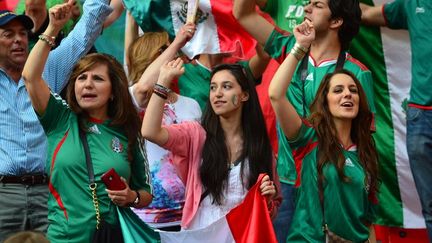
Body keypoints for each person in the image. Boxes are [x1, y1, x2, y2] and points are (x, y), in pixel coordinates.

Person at [233, 0, 376, 240]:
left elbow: (363, 141)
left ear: (336, 21)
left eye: (317, 5)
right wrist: (299, 47)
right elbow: (243, 13)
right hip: (287, 181)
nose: (306, 9)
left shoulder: (357, 72)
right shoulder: (291, 46)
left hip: (332, 183)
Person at [21, 4, 153, 242]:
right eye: (81, 78)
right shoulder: (59, 118)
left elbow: (146, 192)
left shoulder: (128, 130)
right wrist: (52, 29)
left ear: (113, 91)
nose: (87, 84)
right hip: (64, 238)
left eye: (98, 78)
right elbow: (31, 77)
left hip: (112, 237)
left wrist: (131, 196)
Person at [0, 0, 112, 240]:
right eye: (8, 34)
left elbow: (87, 29)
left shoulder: (46, 68)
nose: (19, 39)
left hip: (49, 192)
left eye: (22, 33)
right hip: (3, 194)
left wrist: (56, 25)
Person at [269, 19, 379, 242]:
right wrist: (300, 47)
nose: (347, 94)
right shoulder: (309, 139)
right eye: (338, 90)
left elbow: (368, 222)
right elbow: (275, 95)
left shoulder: (365, 153)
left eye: (353, 90)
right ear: (325, 102)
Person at [142, 59, 281, 230]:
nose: (218, 94)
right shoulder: (195, 134)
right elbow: (150, 131)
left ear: (245, 95)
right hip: (202, 233)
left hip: (242, 234)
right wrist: (162, 83)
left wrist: (268, 200)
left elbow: (270, 212)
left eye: (227, 87)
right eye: (213, 87)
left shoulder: (260, 147)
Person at [361, 1, 432, 240]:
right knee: (430, 208)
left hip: (419, 118)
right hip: (420, 115)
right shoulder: (414, 4)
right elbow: (368, 14)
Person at [127, 24, 202, 230]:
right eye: (164, 49)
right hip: (146, 219)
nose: (175, 53)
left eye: (173, 48)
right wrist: (179, 40)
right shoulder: (132, 101)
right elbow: (143, 87)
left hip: (189, 216)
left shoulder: (191, 104)